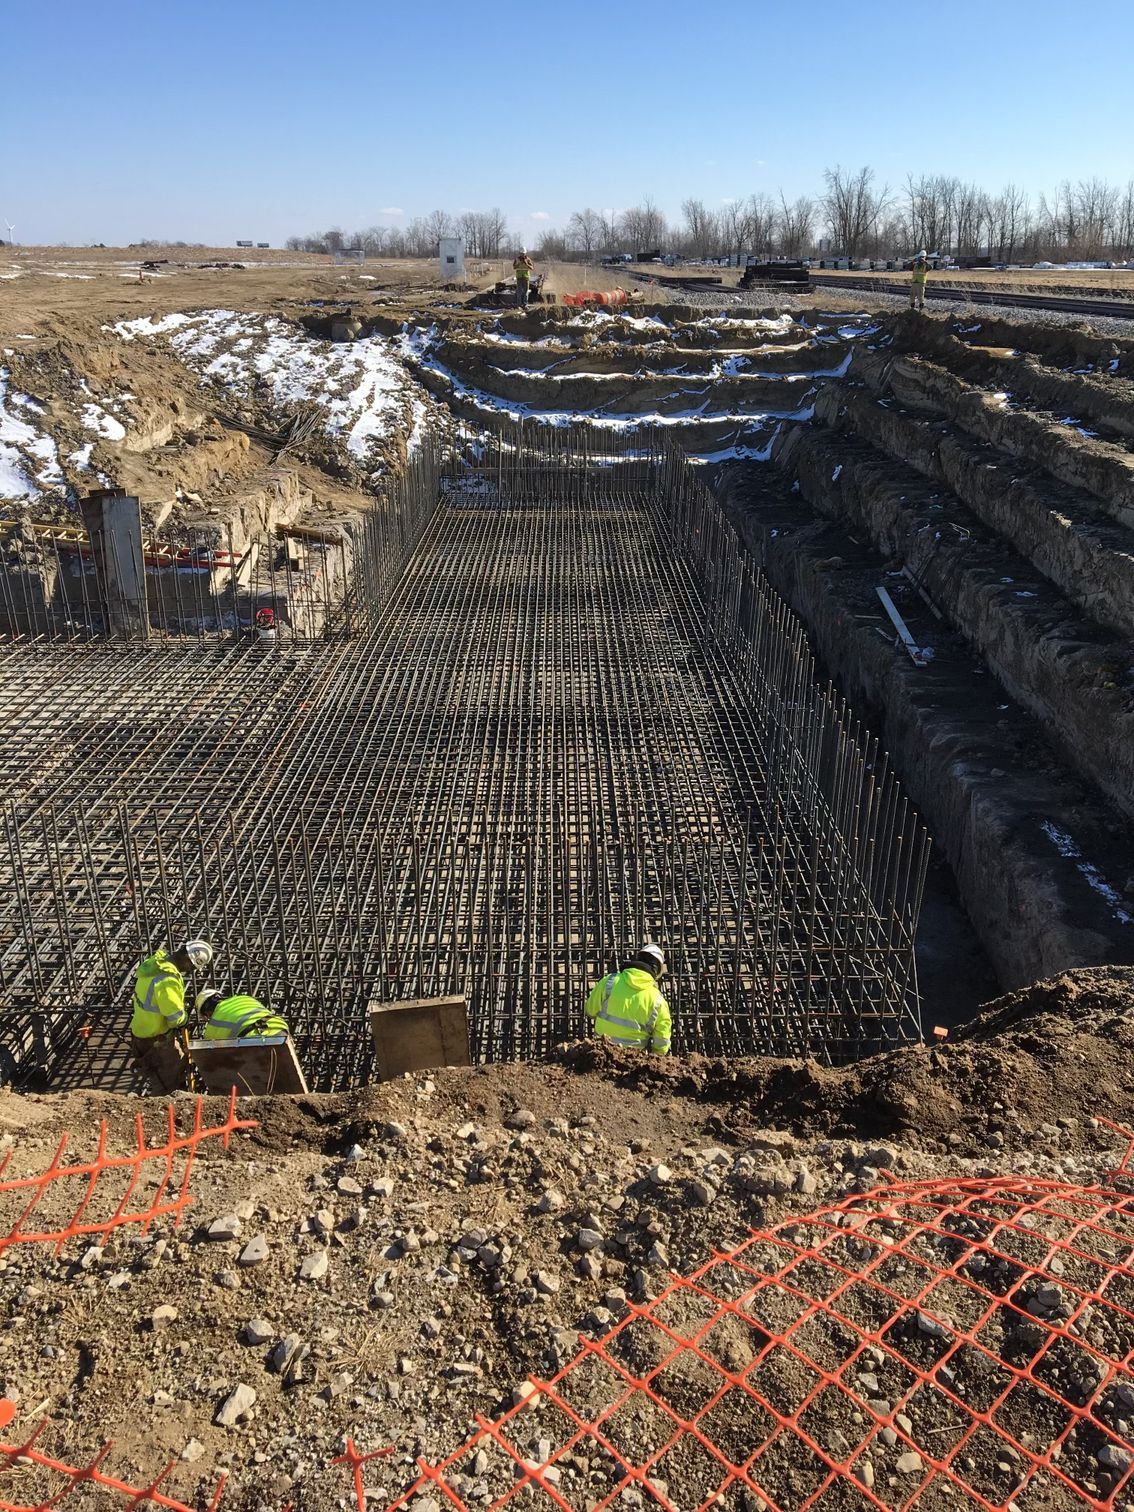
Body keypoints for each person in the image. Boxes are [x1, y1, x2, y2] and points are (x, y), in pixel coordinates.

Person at [131, 939, 214, 1092]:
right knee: (167, 1077)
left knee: (163, 1069)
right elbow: (174, 1017)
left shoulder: (155, 963)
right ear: (188, 960)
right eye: (192, 967)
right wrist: (185, 1020)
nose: (190, 971)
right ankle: (164, 1104)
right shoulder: (167, 978)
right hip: (156, 1038)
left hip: (140, 1030)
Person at [584, 943, 672, 1055]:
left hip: (600, 1053)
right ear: (657, 971)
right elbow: (662, 1040)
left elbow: (590, 1011)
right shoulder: (657, 1000)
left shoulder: (609, 981)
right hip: (632, 1061)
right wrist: (656, 1056)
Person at [196, 989, 291, 1042]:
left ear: (207, 1013)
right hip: (280, 1027)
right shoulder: (243, 998)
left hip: (255, 1038)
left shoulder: (212, 1026)